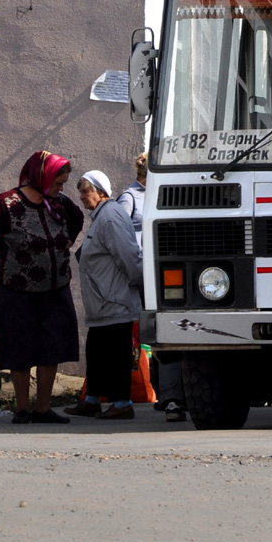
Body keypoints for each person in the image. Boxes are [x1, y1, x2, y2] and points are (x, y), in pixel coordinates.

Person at [0, 150, 83, 425]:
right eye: (57, 182)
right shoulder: (8, 203)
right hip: (18, 288)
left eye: (63, 183)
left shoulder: (59, 202)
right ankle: (22, 409)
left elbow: (77, 218)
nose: (61, 188)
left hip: (55, 287)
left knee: (51, 348)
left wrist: (66, 242)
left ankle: (42, 409)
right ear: (40, 177)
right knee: (20, 348)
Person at [64, 170, 143, 420]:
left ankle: (123, 403)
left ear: (101, 191)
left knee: (116, 353)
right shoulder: (102, 216)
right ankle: (92, 399)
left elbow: (129, 256)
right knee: (97, 352)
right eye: (80, 191)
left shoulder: (109, 217)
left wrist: (138, 284)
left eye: (86, 191)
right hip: (103, 300)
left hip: (114, 298)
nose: (81, 196)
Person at [117, 153, 187, 422]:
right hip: (148, 273)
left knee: (165, 332)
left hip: (167, 271)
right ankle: (169, 396)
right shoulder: (130, 198)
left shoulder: (168, 193)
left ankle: (169, 395)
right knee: (160, 333)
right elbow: (122, 235)